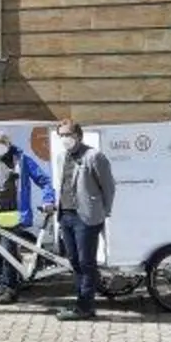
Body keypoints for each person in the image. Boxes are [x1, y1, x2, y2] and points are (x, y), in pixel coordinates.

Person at [0, 130, 55, 304]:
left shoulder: (22, 160)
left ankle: (10, 288)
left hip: (12, 214)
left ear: (9, 144)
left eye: (2, 141)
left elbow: (44, 180)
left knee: (8, 251)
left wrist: (49, 199)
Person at [52, 119, 115, 321]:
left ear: (78, 135)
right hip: (66, 216)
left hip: (86, 218)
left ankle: (85, 307)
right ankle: (82, 302)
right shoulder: (61, 157)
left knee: (86, 263)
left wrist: (103, 211)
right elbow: (60, 185)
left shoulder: (94, 156)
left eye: (68, 134)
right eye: (61, 135)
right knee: (74, 262)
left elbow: (109, 187)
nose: (65, 139)